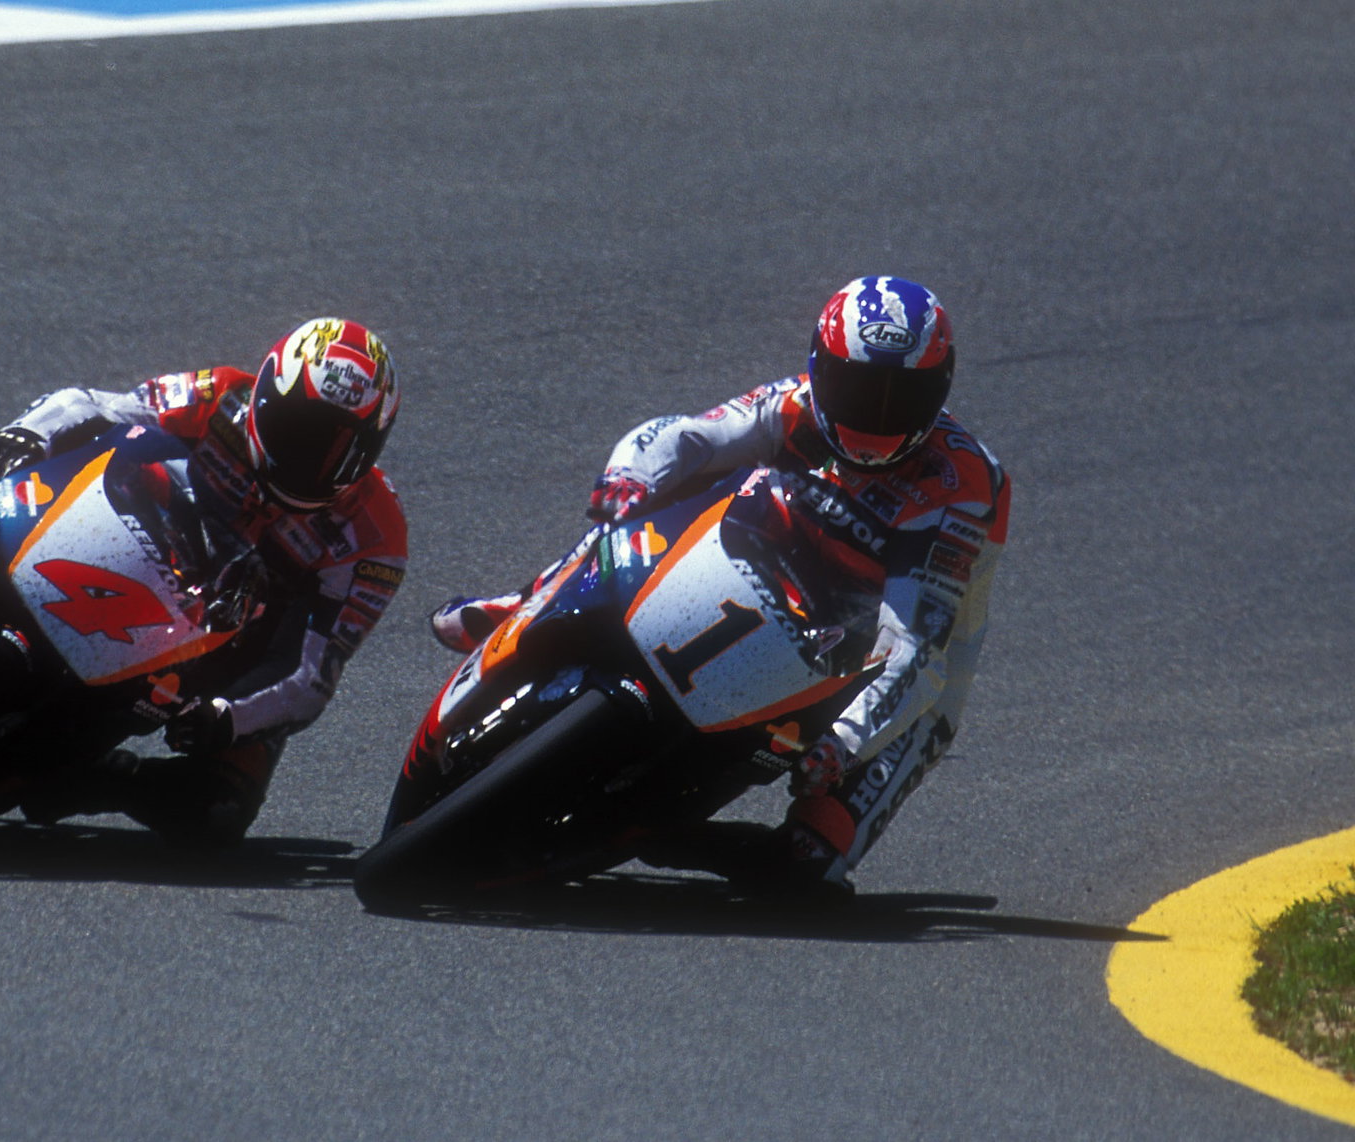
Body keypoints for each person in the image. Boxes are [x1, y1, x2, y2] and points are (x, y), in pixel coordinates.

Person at [431, 277, 1010, 898]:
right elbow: (685, 437)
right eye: (858, 389)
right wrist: (627, 480)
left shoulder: (964, 485)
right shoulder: (796, 403)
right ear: (820, 367)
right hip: (763, 565)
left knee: (807, 866)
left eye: (902, 398)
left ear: (940, 390)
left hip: (885, 672)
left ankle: (661, 833)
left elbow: (914, 647)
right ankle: (533, 600)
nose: (875, 416)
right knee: (660, 495)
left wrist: (842, 744)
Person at [0, 317, 406, 845]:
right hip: (137, 544)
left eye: (336, 451)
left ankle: (100, 778)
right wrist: (29, 434)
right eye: (297, 430)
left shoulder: (375, 539)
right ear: (266, 396)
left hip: (225, 651)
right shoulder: (223, 395)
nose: (309, 459)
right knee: (16, 474)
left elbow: (310, 671)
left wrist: (227, 714)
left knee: (217, 810)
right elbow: (99, 407)